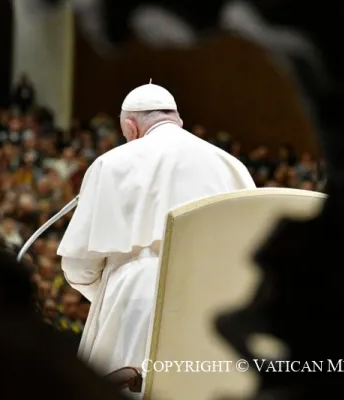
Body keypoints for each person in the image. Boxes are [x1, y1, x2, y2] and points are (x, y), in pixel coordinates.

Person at [56, 83, 256, 378]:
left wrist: (112, 292)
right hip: (211, 304)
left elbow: (78, 264)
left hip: (134, 301)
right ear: (178, 120)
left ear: (130, 126)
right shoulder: (231, 165)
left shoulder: (111, 163)